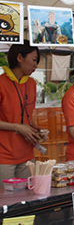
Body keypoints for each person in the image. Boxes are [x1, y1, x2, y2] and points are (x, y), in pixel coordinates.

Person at [0, 42, 41, 188]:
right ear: (19, 57)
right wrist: (18, 127)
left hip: (27, 155)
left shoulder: (31, 84)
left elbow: (27, 114)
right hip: (4, 157)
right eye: (34, 60)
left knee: (28, 201)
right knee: (7, 204)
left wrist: (35, 128)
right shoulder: (1, 83)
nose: (36, 65)